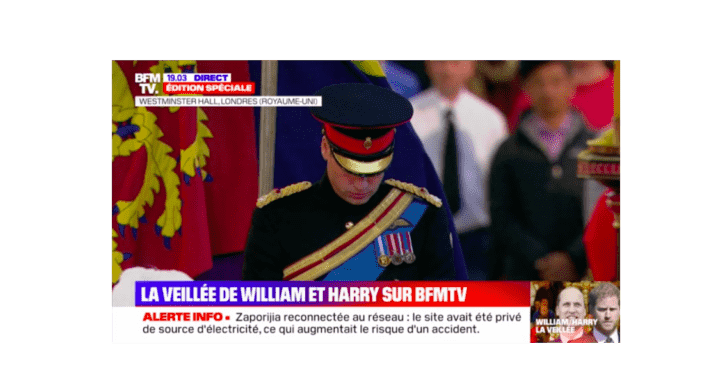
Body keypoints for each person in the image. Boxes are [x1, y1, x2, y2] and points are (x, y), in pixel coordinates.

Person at [243, 83, 456, 281]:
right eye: (351, 172)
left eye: (373, 172)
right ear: (326, 147)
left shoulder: (423, 215)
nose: (361, 185)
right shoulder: (276, 218)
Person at [489, 60, 594, 281]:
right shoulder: (509, 150)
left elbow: (601, 211)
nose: (548, 91)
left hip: (584, 274)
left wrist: (573, 258)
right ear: (526, 87)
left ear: (571, 84)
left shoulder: (594, 147)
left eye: (556, 81)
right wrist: (539, 259)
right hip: (524, 276)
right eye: (539, 83)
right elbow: (501, 215)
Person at [410, 60, 508, 280]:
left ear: (471, 66)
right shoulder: (410, 116)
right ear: (427, 64)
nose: (447, 69)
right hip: (423, 234)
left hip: (476, 237)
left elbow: (500, 185)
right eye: (439, 61)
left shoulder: (491, 119)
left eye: (455, 61)